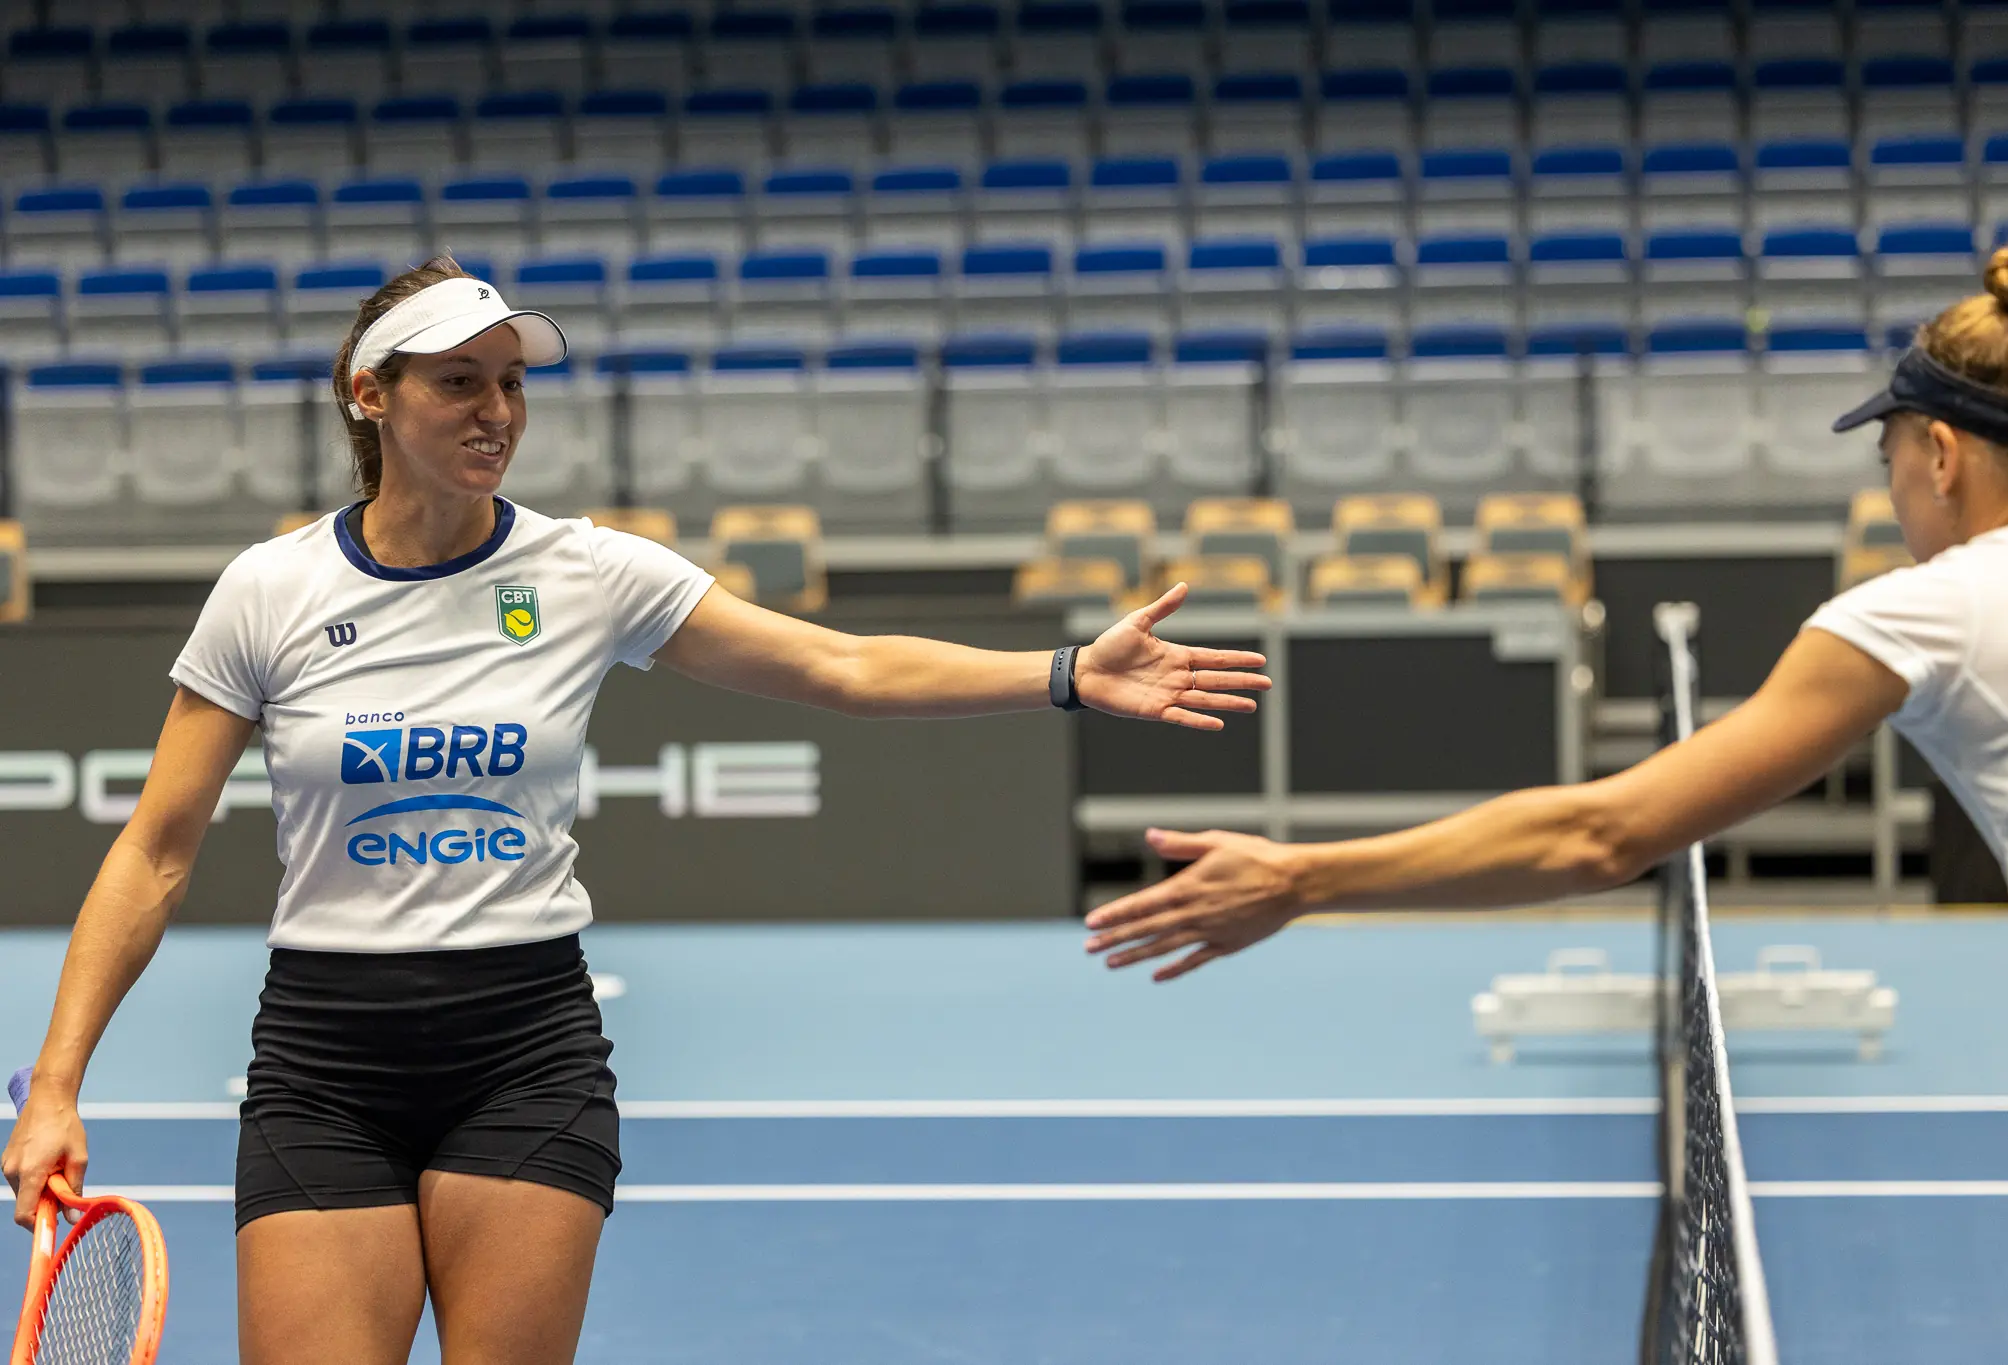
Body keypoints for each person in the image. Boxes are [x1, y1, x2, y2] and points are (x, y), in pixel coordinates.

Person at [1, 256, 1270, 1365]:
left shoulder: (587, 571)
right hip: (324, 1060)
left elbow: (840, 666)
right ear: (369, 394)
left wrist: (1063, 673)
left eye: (512, 384)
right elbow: (154, 852)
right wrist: (56, 1086)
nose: (497, 412)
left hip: (521, 1048)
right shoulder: (268, 591)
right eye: (460, 382)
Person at [1085, 216, 2008, 983]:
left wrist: (1300, 876)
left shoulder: (1924, 610)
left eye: (1888, 459)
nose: (1893, 490)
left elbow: (1600, 834)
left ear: (1941, 455)